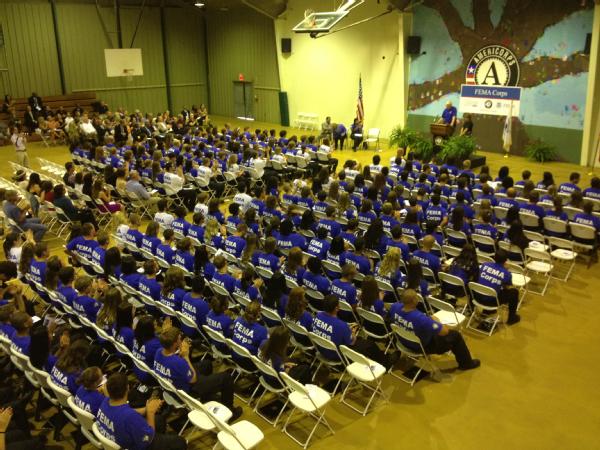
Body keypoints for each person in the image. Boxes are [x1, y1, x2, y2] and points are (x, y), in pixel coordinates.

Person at [153, 326, 242, 419]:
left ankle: (206, 396)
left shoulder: (159, 352)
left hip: (172, 387)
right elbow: (193, 379)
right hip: (187, 391)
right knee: (226, 378)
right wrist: (186, 356)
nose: (181, 340)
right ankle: (230, 412)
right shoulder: (177, 362)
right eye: (180, 338)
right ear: (175, 343)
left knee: (206, 363)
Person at [390, 289, 480, 370]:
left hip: (402, 341)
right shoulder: (421, 319)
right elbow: (445, 332)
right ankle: (466, 364)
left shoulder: (394, 307)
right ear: (415, 300)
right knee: (455, 335)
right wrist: (437, 321)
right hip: (420, 347)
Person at [96, 372, 187, 450]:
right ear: (127, 388)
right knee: (180, 442)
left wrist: (147, 408)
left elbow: (126, 412)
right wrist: (150, 412)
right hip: (139, 445)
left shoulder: (105, 401)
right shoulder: (130, 417)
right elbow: (149, 439)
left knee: (159, 420)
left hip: (119, 438)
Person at [477, 249, 520, 325]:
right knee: (514, 292)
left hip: (477, 297)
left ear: (494, 257)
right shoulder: (506, 273)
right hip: (491, 302)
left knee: (488, 286)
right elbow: (507, 287)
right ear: (506, 260)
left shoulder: (485, 265)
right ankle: (511, 318)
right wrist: (505, 270)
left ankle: (487, 310)